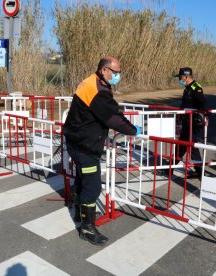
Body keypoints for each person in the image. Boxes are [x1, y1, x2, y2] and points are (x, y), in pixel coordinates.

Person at [63, 56, 141, 246]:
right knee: (93, 187)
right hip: (85, 145)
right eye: (116, 72)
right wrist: (133, 130)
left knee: (83, 180)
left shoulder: (91, 81)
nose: (118, 76)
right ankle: (87, 228)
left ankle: (83, 211)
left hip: (76, 139)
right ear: (105, 70)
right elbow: (112, 118)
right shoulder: (98, 90)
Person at [161, 67, 206, 177]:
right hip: (187, 121)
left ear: (186, 77)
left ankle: (199, 171)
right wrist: (179, 118)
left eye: (180, 77)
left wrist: (204, 116)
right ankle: (172, 168)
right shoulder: (187, 88)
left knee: (189, 145)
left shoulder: (196, 88)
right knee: (184, 145)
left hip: (193, 122)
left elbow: (203, 104)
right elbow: (184, 106)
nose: (179, 80)